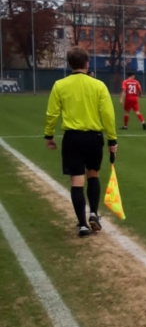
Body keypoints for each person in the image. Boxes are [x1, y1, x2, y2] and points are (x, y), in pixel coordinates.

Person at [44, 46, 118, 237]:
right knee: (93, 175)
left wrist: (49, 135)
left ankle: (82, 224)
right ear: (87, 63)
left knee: (77, 181)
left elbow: (52, 113)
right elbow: (108, 115)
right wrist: (112, 139)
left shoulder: (60, 85)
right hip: (94, 137)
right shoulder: (99, 85)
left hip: (73, 138)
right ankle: (93, 212)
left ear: (69, 64)